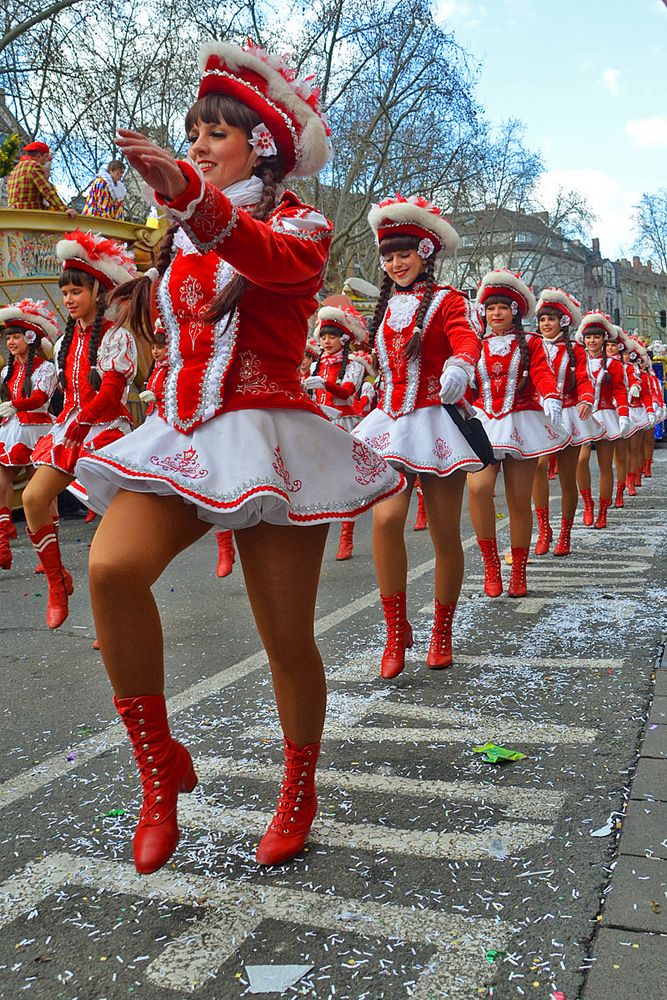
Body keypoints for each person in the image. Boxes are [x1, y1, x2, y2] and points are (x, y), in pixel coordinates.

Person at [74, 40, 404, 874]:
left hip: (270, 442)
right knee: (111, 571)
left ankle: (299, 786)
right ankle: (159, 769)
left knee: (286, 639)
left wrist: (190, 200)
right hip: (183, 437)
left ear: (261, 142)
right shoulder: (178, 239)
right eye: (190, 134)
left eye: (213, 131)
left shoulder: (300, 226)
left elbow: (272, 261)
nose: (195, 144)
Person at [353, 193, 483, 677]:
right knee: (385, 522)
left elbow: (466, 337)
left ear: (425, 252)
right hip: (390, 421)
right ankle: (395, 630)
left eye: (403, 253)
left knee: (446, 533)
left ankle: (442, 630)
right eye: (388, 255)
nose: (395, 263)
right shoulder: (386, 307)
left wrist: (460, 362)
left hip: (435, 422)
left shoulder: (449, 300)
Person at [22, 230, 138, 628]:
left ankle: (114, 618)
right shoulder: (64, 342)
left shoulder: (117, 338)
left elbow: (109, 396)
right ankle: (58, 582)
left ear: (99, 291)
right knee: (34, 498)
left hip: (104, 430)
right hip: (70, 428)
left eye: (77, 291)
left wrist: (81, 423)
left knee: (109, 538)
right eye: (65, 292)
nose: (69, 299)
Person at [467, 270, 569, 598]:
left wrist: (551, 394)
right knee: (479, 489)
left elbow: (541, 372)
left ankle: (519, 571)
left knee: (517, 501)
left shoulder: (533, 344)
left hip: (521, 424)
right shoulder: (475, 345)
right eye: (491, 308)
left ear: (515, 310)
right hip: (483, 422)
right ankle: (491, 565)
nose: (496, 314)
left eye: (503, 307)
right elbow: (467, 384)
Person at [530, 288, 600, 557]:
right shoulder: (531, 346)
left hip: (569, 415)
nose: (545, 324)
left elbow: (584, 379)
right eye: (542, 319)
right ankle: (544, 529)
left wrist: (585, 399)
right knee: (539, 467)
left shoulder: (576, 351)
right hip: (538, 415)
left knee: (568, 479)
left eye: (551, 319)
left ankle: (565, 533)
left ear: (563, 322)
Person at [304, 301, 369, 560]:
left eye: (332, 336)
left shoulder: (354, 364)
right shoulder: (314, 365)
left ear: (343, 338)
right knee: (315, 481)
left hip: (344, 426)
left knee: (345, 482)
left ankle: (346, 538)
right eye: (324, 336)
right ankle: (312, 536)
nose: (327, 341)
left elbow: (347, 392)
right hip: (320, 425)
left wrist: (325, 384)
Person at [0, 299, 59, 569]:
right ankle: (2, 543)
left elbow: (40, 397)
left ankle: (49, 550)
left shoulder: (46, 369)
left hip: (38, 430)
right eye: (8, 337)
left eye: (16, 336)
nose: (11, 342)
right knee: (1, 483)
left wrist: (16, 405)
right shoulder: (6, 372)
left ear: (30, 337)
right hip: (12, 431)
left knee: (43, 493)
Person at [575, 311, 630, 528]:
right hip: (583, 416)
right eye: (588, 337)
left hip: (606, 415)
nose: (592, 341)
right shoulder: (577, 360)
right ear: (583, 339)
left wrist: (624, 414)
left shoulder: (615, 365)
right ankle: (588, 504)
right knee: (581, 461)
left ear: (604, 339)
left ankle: (603, 511)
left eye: (596, 337)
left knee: (606, 466)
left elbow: (619, 390)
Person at [6, 140, 76, 217]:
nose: (46, 160)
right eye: (46, 156)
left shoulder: (16, 168)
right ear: (39, 156)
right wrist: (65, 209)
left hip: (13, 215)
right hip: (30, 216)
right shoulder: (33, 166)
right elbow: (47, 190)